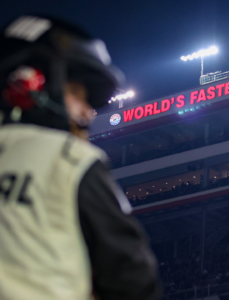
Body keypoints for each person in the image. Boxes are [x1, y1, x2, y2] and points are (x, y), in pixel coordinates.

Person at [0, 15, 160, 300]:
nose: (88, 112)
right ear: (30, 81)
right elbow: (133, 276)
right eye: (77, 93)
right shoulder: (69, 157)